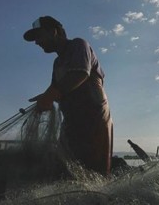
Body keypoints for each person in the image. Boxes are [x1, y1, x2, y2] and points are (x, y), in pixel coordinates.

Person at [23, 16, 113, 176]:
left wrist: (50, 95)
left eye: (39, 36)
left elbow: (80, 73)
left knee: (95, 173)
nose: (37, 42)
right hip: (72, 123)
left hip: (95, 121)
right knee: (66, 170)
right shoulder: (57, 63)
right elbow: (55, 90)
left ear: (53, 32)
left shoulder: (79, 45)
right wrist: (44, 99)